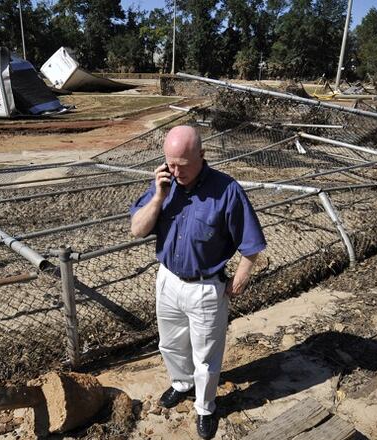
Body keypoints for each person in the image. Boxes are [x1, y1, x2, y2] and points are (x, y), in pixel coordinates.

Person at [129, 125, 266, 439]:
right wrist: (159, 196)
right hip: (168, 280)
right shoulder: (165, 185)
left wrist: (240, 278)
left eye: (183, 164)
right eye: (170, 163)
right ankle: (181, 384)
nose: (176, 171)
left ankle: (206, 407)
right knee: (170, 343)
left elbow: (252, 245)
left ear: (202, 156)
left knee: (205, 355)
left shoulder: (227, 190)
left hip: (206, 286)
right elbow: (137, 229)